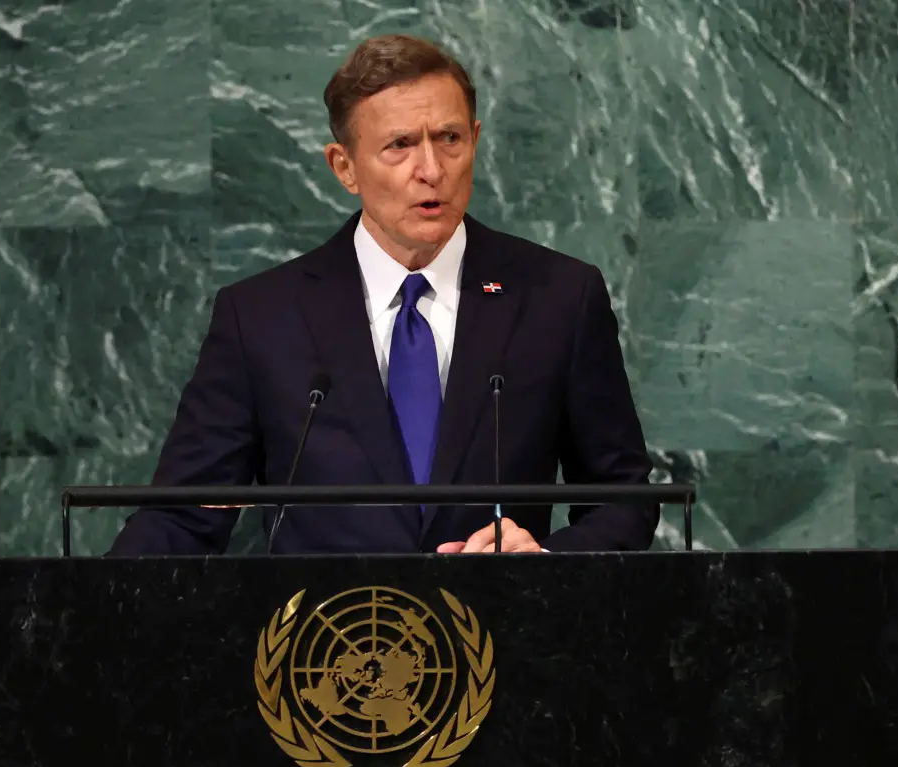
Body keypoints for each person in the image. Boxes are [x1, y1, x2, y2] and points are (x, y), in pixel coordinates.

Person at [108, 34, 658, 556]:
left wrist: (543, 556)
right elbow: (182, 517)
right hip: (325, 646)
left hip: (500, 639)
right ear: (344, 167)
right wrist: (77, 610)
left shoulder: (557, 297)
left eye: (449, 139)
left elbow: (623, 498)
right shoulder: (261, 318)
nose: (432, 170)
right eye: (399, 146)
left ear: (475, 139)